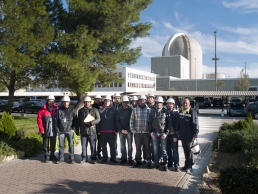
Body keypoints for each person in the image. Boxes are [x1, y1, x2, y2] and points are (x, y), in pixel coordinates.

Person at [149, 96, 171, 171]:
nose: (158, 104)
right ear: (155, 103)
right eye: (157, 103)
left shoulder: (166, 112)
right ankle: (156, 163)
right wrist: (151, 132)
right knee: (155, 150)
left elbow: (169, 123)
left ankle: (165, 164)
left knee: (164, 150)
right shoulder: (152, 111)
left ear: (162, 103)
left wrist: (166, 133)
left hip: (163, 134)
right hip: (154, 133)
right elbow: (149, 122)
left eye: (160, 103)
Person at [77, 96, 101, 164]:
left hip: (92, 131)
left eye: (88, 102)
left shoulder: (95, 110)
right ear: (84, 103)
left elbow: (98, 119)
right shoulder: (80, 111)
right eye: (86, 102)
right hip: (83, 131)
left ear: (90, 102)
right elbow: (79, 121)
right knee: (84, 146)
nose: (87, 103)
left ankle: (93, 158)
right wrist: (77, 130)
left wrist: (92, 123)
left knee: (93, 146)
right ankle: (84, 158)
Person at [178, 97, 199, 173]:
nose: (185, 104)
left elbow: (195, 124)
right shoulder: (180, 111)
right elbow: (179, 123)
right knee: (185, 151)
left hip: (190, 136)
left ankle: (190, 166)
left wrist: (195, 134)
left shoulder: (192, 112)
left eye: (186, 103)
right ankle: (186, 165)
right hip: (183, 136)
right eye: (184, 103)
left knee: (190, 152)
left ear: (189, 104)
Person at [130, 95, 152, 168]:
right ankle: (138, 160)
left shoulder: (149, 110)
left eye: (144, 100)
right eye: (141, 100)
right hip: (138, 133)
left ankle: (148, 160)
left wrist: (149, 130)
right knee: (138, 147)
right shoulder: (135, 110)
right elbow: (132, 121)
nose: (142, 102)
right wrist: (133, 131)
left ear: (146, 101)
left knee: (147, 147)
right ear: (138, 101)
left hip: (146, 133)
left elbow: (151, 122)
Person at [56, 95, 77, 164]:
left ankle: (71, 158)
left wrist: (73, 129)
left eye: (67, 102)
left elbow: (75, 120)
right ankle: (61, 158)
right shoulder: (59, 110)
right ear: (62, 102)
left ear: (69, 102)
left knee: (71, 145)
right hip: (61, 131)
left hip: (69, 130)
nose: (65, 103)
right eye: (64, 102)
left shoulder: (73, 110)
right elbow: (56, 120)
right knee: (61, 146)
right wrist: (57, 129)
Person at [37, 95, 58, 162]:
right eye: (49, 101)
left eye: (52, 101)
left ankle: (52, 155)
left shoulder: (56, 109)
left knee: (53, 143)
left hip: (54, 130)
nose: (51, 102)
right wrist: (41, 129)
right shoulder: (42, 110)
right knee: (45, 144)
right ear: (47, 101)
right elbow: (39, 120)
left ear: (54, 101)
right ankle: (46, 156)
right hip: (45, 130)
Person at [97, 95, 118, 163]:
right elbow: (98, 121)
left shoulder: (114, 110)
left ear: (110, 101)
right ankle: (105, 158)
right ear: (104, 101)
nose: (107, 102)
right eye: (105, 101)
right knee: (103, 146)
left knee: (112, 146)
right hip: (102, 131)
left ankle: (113, 158)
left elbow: (116, 120)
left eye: (108, 101)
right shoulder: (100, 109)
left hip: (112, 131)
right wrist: (98, 130)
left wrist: (116, 130)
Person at [116, 96, 133, 165]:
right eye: (123, 102)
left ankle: (130, 159)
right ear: (122, 103)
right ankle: (124, 158)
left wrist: (128, 130)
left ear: (128, 102)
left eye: (126, 102)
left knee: (129, 146)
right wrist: (121, 129)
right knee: (122, 145)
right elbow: (117, 121)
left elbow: (132, 121)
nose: (125, 104)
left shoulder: (131, 110)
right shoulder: (119, 110)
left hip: (129, 131)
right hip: (121, 131)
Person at [166, 98, 180, 171]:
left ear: (173, 105)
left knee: (175, 150)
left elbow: (177, 126)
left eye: (170, 104)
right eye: (168, 104)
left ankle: (176, 164)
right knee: (168, 150)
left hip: (174, 135)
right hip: (167, 135)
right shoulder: (165, 112)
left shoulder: (176, 114)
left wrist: (175, 136)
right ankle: (170, 162)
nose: (169, 105)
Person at [92, 95, 103, 159]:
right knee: (93, 140)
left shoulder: (102, 107)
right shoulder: (92, 107)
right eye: (97, 99)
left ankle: (98, 152)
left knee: (100, 141)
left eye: (99, 99)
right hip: (93, 125)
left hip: (100, 125)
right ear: (95, 100)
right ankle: (93, 153)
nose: (98, 100)